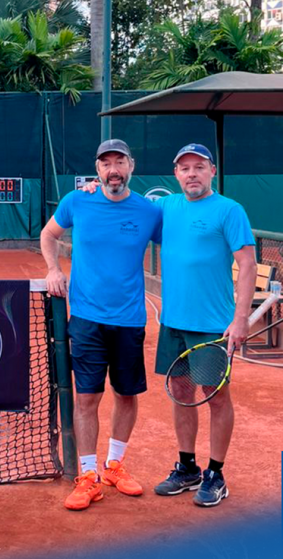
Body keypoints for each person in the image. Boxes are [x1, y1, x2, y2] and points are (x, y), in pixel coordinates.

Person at [40, 139, 162, 511]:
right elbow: (48, 235)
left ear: (131, 166)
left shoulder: (149, 211)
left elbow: (179, 240)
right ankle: (89, 474)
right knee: (86, 398)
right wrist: (52, 269)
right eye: (106, 163)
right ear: (97, 170)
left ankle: (114, 465)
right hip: (86, 320)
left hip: (129, 321)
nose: (113, 170)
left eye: (119, 162)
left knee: (126, 395)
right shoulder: (77, 201)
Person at [153, 144, 255, 507]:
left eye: (199, 167)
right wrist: (93, 188)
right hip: (172, 323)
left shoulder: (229, 210)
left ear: (212, 171)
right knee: (181, 392)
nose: (192, 173)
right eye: (185, 168)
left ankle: (216, 474)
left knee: (216, 396)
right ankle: (187, 467)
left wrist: (240, 318)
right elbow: (124, 206)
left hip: (212, 325)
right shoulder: (165, 207)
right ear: (176, 174)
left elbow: (247, 264)